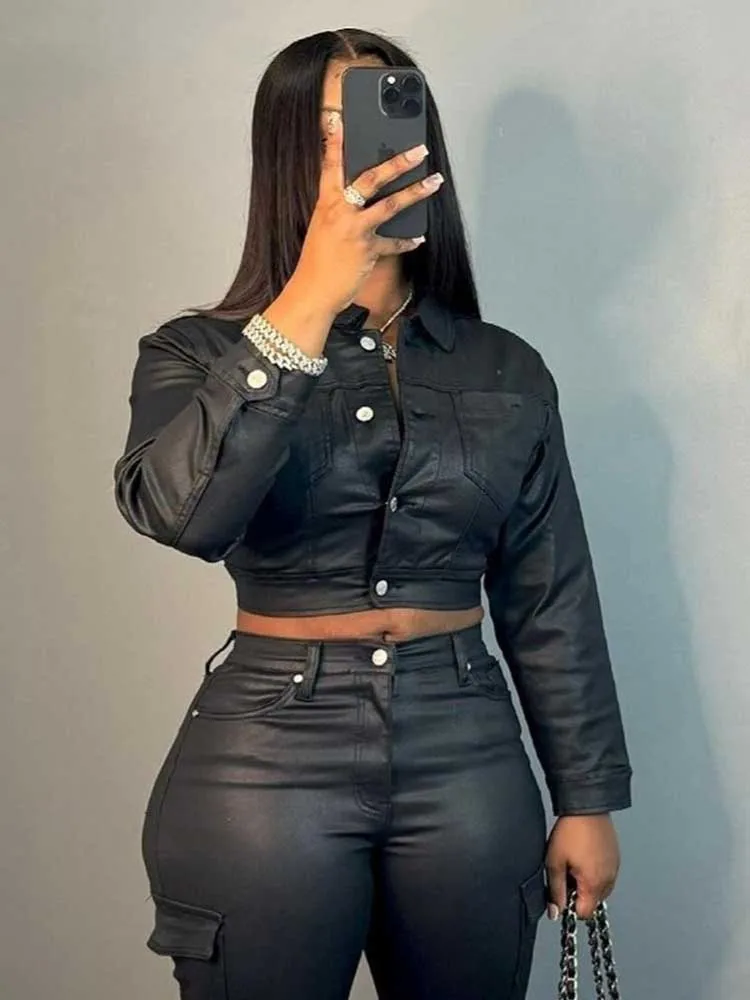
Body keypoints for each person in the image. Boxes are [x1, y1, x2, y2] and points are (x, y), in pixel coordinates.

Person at [113, 26, 632, 1000]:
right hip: (264, 759)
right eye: (333, 128)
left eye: (393, 116)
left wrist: (587, 796)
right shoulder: (195, 353)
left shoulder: (505, 368)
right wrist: (311, 295)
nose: (368, 150)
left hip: (468, 753)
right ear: (286, 153)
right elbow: (183, 515)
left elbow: (549, 597)